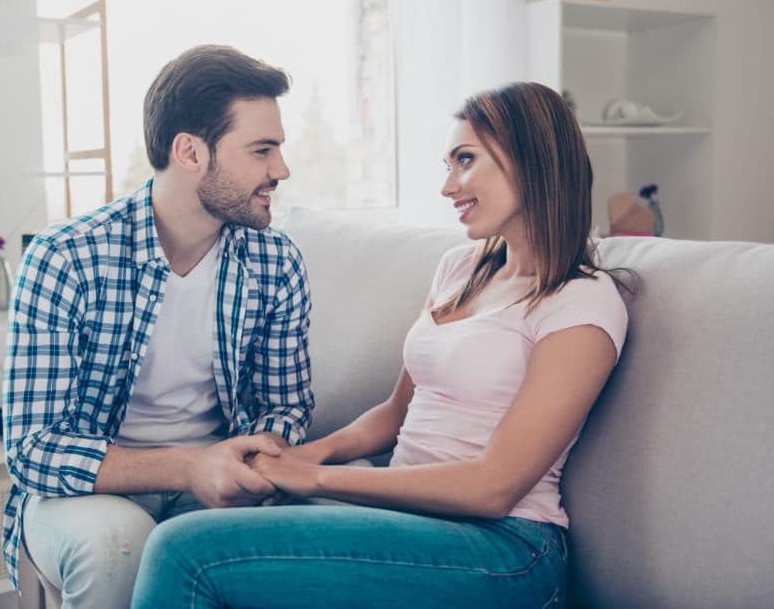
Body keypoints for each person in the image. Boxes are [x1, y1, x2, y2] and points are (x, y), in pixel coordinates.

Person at [130, 81, 632, 609]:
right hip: (406, 523)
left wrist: (316, 477)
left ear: (532, 158)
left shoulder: (581, 303)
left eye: (465, 160)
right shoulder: (461, 268)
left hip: (506, 549)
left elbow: (494, 487)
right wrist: (301, 454)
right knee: (196, 516)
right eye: (447, 164)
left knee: (184, 550)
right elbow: (396, 413)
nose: (448, 186)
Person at [1, 44, 315, 608]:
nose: (281, 170)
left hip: (220, 481)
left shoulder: (276, 261)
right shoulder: (66, 257)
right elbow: (31, 449)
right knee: (118, 544)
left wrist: (252, 458)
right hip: (88, 491)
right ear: (190, 152)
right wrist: (188, 466)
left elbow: (286, 406)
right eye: (262, 150)